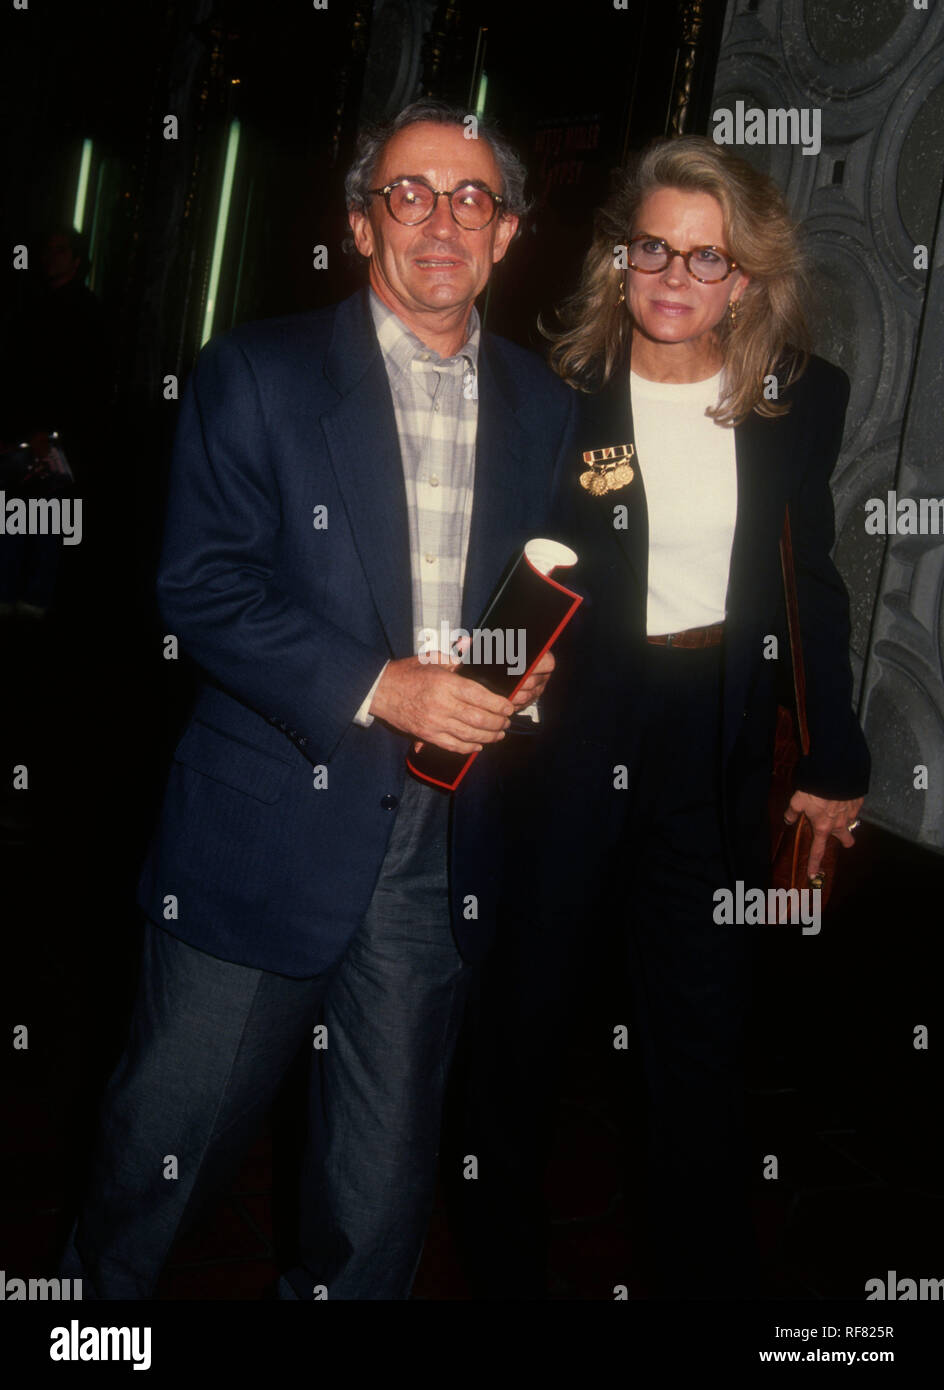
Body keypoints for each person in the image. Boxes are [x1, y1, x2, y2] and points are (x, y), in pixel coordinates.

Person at [58, 98, 577, 1300]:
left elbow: (521, 594)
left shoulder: (545, 406)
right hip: (260, 835)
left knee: (375, 1203)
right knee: (154, 1168)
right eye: (407, 193)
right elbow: (199, 584)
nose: (439, 221)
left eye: (470, 199)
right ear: (358, 222)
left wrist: (527, 669)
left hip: (438, 851)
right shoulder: (257, 370)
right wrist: (383, 685)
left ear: (506, 233)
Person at [445, 136, 870, 1299]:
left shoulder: (794, 400)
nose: (675, 278)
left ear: (746, 278)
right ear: (617, 257)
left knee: (700, 1048)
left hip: (710, 748)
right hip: (567, 739)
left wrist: (833, 753)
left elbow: (808, 580)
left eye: (706, 258)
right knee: (520, 1033)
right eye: (653, 249)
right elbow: (499, 572)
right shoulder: (551, 392)